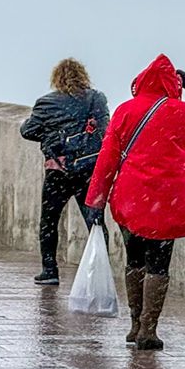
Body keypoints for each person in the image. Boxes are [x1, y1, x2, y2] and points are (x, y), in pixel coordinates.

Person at [85, 55, 185, 349]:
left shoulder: (125, 111)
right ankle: (149, 328)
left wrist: (95, 200)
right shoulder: (183, 112)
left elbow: (107, 159)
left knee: (134, 261)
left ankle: (134, 324)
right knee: (158, 265)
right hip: (167, 202)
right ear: (173, 82)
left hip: (130, 199)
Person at [20, 58, 110, 285]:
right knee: (95, 221)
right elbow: (106, 130)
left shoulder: (46, 103)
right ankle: (99, 269)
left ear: (57, 78)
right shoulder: (96, 99)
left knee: (49, 220)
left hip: (58, 171)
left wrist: (53, 137)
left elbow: (28, 130)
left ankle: (49, 270)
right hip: (88, 169)